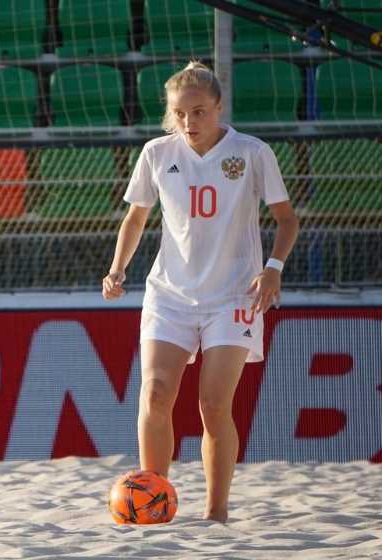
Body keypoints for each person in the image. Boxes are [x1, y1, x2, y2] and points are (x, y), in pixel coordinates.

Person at [102, 61, 299, 522]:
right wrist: (117, 269)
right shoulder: (156, 152)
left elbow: (287, 219)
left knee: (212, 404)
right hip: (170, 294)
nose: (189, 122)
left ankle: (216, 512)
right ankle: (151, 502)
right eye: (179, 113)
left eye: (199, 112)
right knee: (155, 394)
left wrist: (273, 269)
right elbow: (135, 218)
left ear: (218, 107)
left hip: (234, 295)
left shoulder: (251, 152)